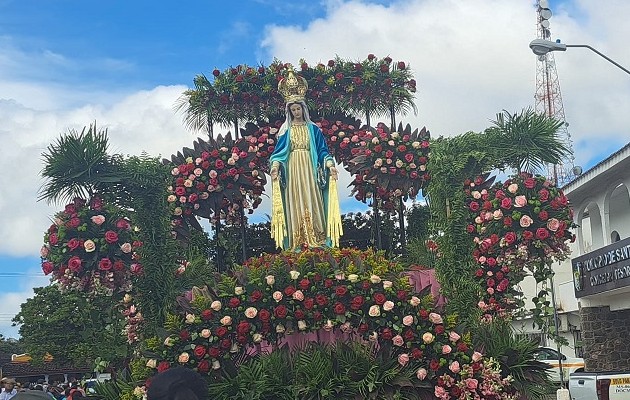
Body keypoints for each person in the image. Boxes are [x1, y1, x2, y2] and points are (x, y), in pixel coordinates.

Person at [270, 68, 343, 251]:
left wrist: (329, 165)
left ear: (303, 108)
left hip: (310, 168)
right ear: (289, 111)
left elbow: (322, 150)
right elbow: (279, 153)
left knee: (313, 197)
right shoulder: (285, 130)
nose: (296, 112)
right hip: (294, 168)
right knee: (295, 200)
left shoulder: (314, 129)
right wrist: (276, 166)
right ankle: (297, 240)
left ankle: (317, 238)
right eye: (293, 109)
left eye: (298, 108)